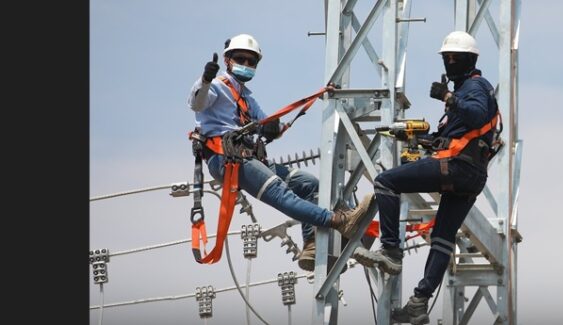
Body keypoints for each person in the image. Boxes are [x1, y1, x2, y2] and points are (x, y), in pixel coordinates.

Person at [187, 33, 374, 272]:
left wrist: (275, 126)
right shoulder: (215, 87)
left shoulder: (246, 98)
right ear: (228, 60)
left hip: (247, 157)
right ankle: (339, 221)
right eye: (240, 59)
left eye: (250, 61)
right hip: (226, 157)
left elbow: (268, 124)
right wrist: (204, 79)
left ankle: (311, 244)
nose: (245, 64)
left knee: (309, 184)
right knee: (281, 193)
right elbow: (197, 103)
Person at [352, 31, 500, 324]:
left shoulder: (476, 86)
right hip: (470, 176)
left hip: (457, 167)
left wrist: (448, 97)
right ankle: (420, 302)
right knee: (443, 237)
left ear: (470, 60)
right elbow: (463, 133)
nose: (450, 62)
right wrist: (424, 138)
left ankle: (391, 250)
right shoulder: (468, 91)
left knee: (386, 181)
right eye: (446, 58)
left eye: (454, 58)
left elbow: (477, 114)